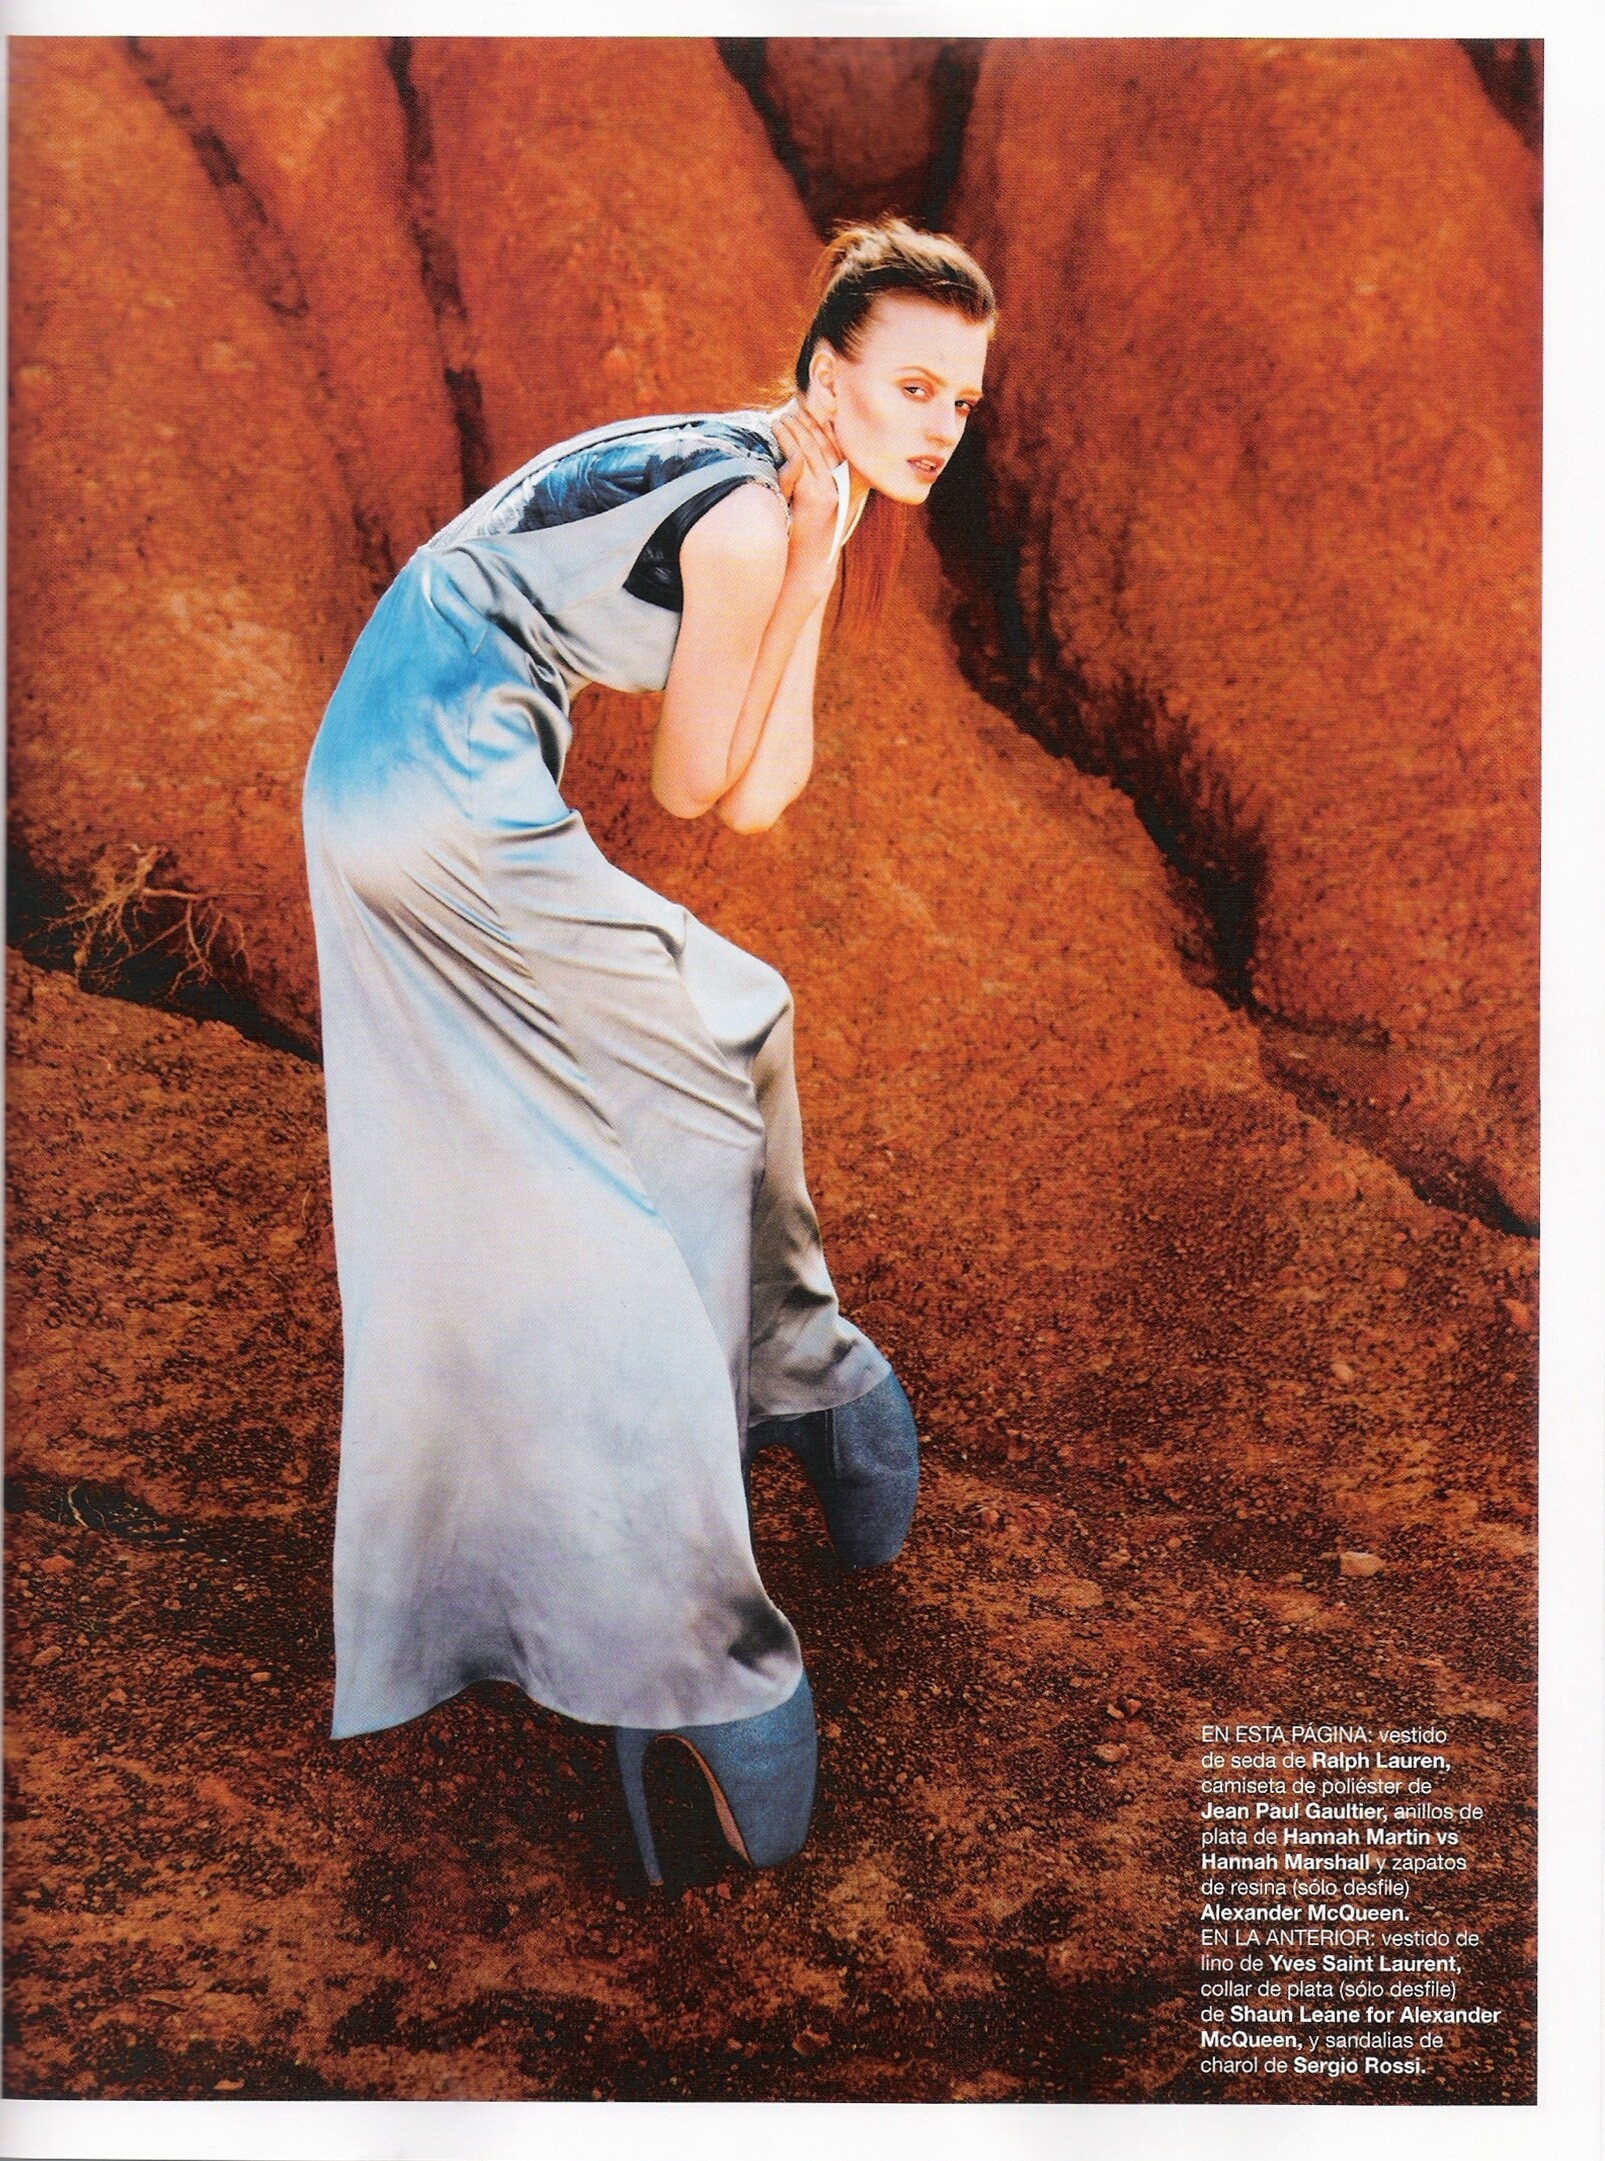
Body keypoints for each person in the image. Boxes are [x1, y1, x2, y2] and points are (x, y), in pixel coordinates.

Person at [301, 217, 996, 1888]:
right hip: (433, 793)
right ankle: (698, 1655)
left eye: (962, 401)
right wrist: (807, 568)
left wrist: (823, 555)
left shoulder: (772, 474)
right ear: (827, 368)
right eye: (911, 385)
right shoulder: (755, 518)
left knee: (735, 1013)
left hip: (401, 768)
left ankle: (800, 1375)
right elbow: (707, 795)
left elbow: (756, 790)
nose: (938, 425)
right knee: (610, 1177)